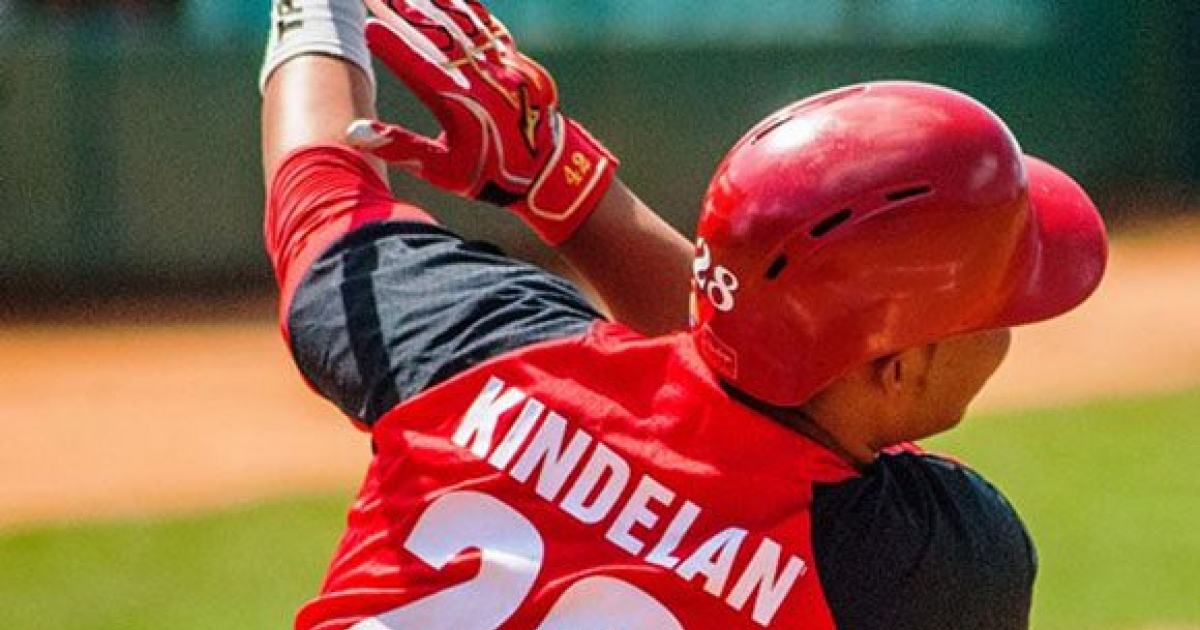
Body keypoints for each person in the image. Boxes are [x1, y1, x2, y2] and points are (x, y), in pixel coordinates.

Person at [259, 1, 1108, 630]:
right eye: (997, 306)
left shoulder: (491, 356)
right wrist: (572, 198)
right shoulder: (931, 567)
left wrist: (318, 12)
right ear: (896, 367)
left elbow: (318, 201)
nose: (1010, 329)